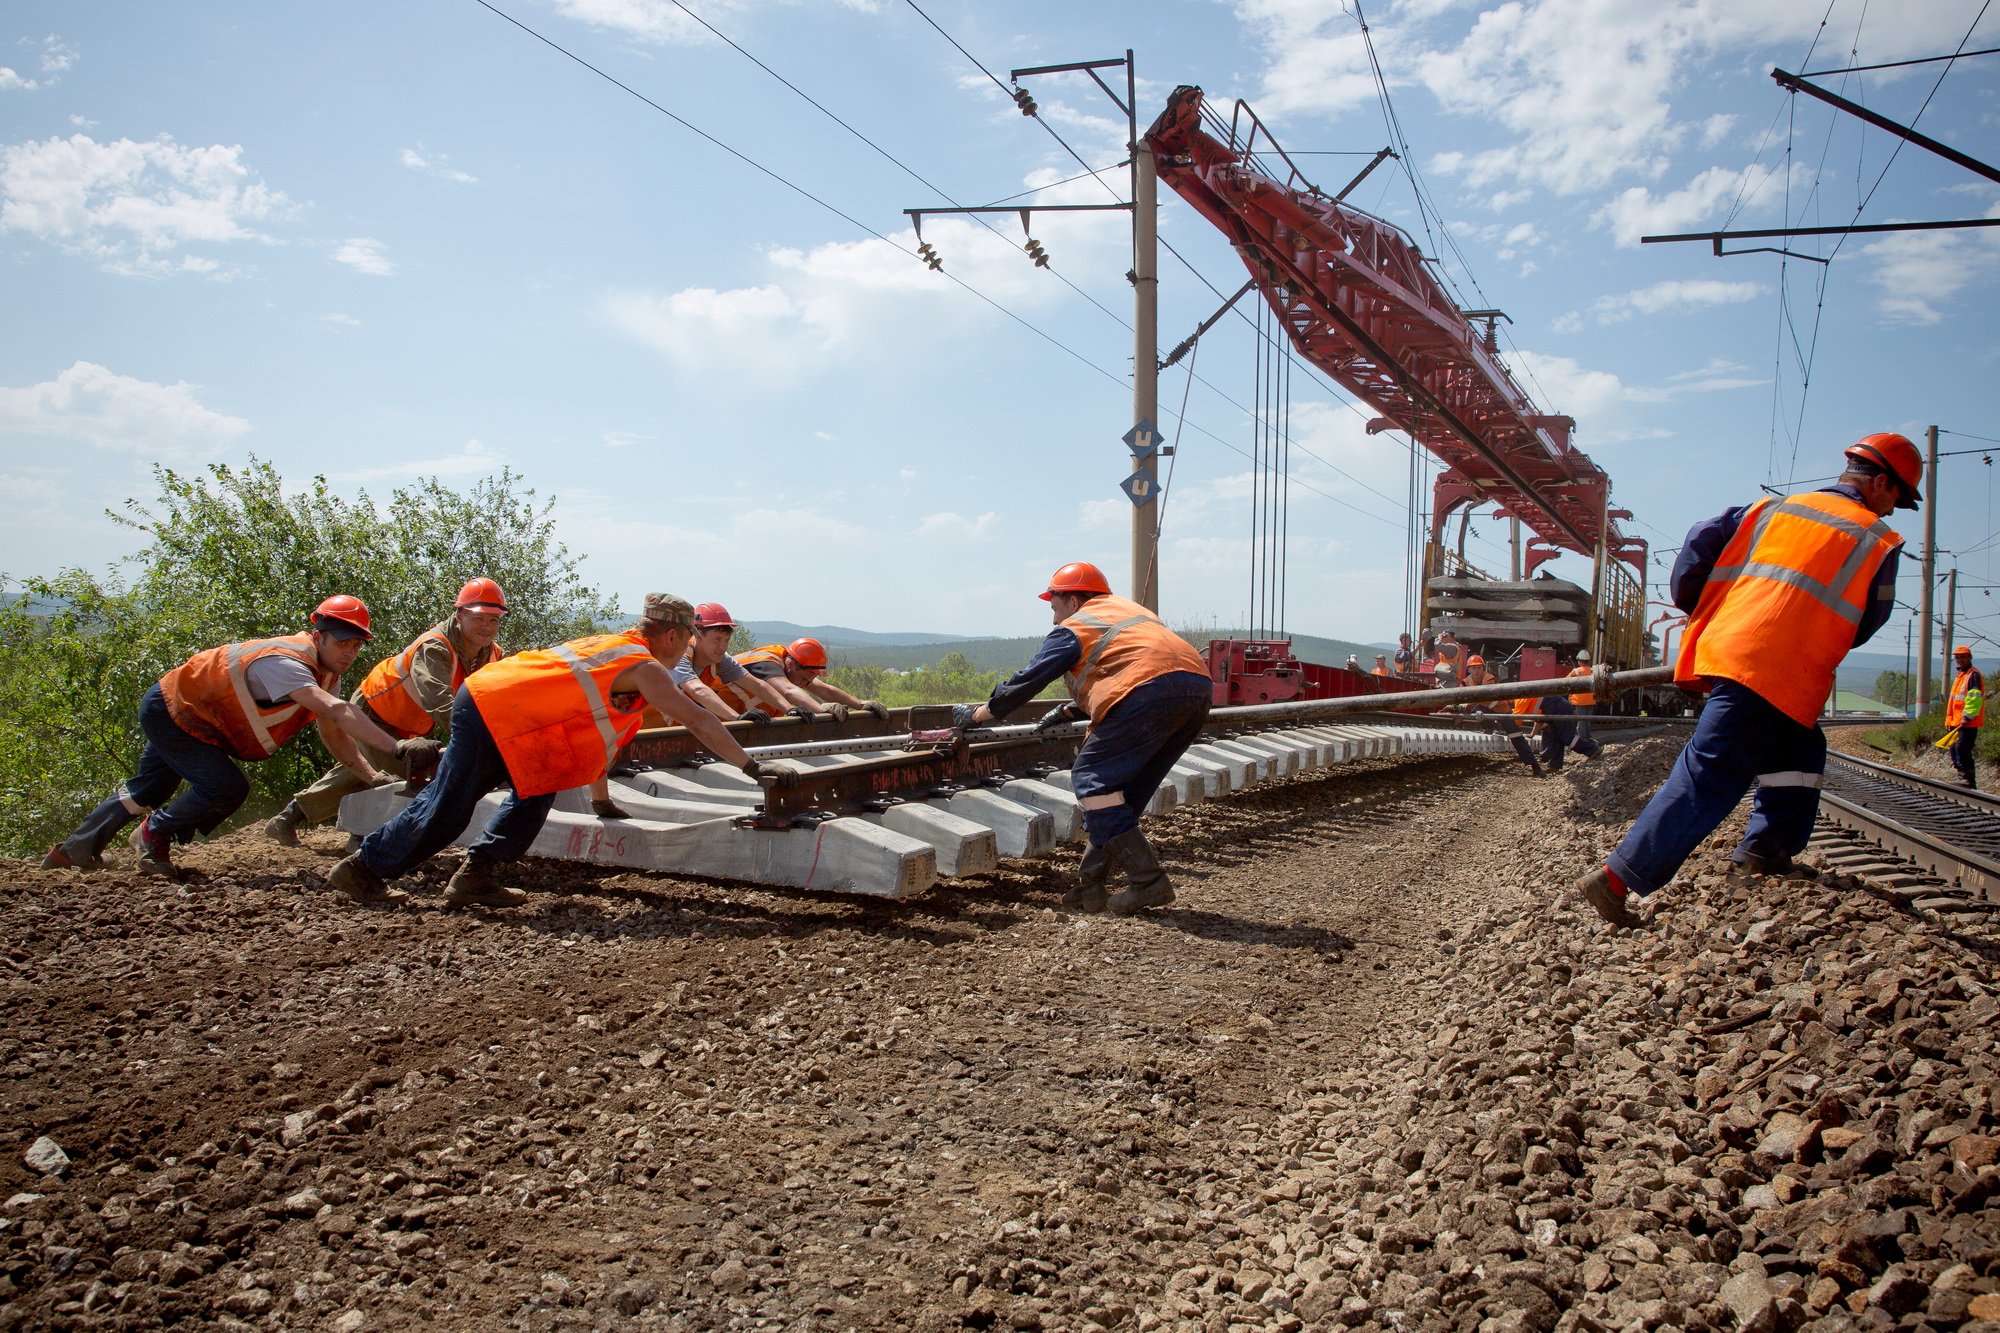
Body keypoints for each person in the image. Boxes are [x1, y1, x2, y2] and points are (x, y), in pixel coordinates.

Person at [1573, 432, 1915, 927]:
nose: (1893, 510)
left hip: (1746, 656)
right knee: (1710, 774)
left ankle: (1764, 852)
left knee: (1800, 752)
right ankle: (1615, 878)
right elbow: (1868, 622)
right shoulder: (1877, 539)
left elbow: (1697, 543)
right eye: (1896, 498)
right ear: (1880, 481)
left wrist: (1710, 612)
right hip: (1774, 666)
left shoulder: (1770, 509)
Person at [326, 594, 772, 909]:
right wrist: (753, 769)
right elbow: (698, 719)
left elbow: (596, 733)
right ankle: (364, 870)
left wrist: (601, 799)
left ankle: (477, 875)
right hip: (490, 707)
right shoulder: (643, 665)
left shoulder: (615, 643)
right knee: (452, 802)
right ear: (673, 636)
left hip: (516, 717)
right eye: (687, 638)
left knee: (539, 788)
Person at [41, 597, 440, 878]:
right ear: (318, 636)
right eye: (342, 642)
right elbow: (336, 711)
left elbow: (331, 730)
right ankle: (152, 834)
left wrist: (371, 777)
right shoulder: (287, 664)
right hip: (176, 710)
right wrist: (397, 747)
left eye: (356, 645)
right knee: (225, 788)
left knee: (148, 788)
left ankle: (74, 850)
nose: (349, 652)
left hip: (188, 711)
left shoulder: (324, 670)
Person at [954, 561, 1211, 915]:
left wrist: (980, 714)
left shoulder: (1076, 625)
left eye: (1055, 607)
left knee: (1093, 784)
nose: (1054, 618)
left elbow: (1028, 680)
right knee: (1119, 799)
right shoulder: (1130, 612)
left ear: (1073, 601)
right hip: (1196, 688)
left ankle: (1148, 883)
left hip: (1149, 690)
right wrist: (1071, 710)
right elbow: (1128, 665)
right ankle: (1092, 886)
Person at [265, 578, 510, 846]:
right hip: (374, 712)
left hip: (410, 723)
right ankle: (362, 837)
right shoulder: (436, 647)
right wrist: (482, 742)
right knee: (402, 776)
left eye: (493, 620)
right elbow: (440, 702)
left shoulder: (493, 655)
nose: (486, 627)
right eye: (479, 618)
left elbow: (496, 701)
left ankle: (290, 818)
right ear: (460, 615)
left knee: (360, 772)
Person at [673, 603, 796, 723]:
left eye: (726, 640)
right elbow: (697, 690)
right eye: (717, 639)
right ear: (699, 635)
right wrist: (736, 718)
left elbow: (756, 685)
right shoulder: (679, 655)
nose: (723, 647)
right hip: (655, 728)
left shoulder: (721, 659)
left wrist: (790, 709)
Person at [727, 638, 885, 720]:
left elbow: (824, 689)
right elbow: (788, 690)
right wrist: (820, 709)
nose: (803, 684)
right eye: (803, 679)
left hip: (739, 719)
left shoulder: (795, 666)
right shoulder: (766, 663)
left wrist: (861, 704)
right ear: (791, 665)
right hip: (720, 716)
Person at [1947, 645, 1984, 788]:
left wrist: (1967, 717)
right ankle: (1962, 776)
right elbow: (1954, 701)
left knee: (1962, 748)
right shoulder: (1961, 675)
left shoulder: (1972, 675)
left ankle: (1968, 780)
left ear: (1969, 657)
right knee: (1955, 748)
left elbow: (1974, 698)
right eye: (1957, 657)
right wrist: (1949, 720)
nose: (1960, 660)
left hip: (1968, 722)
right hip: (1957, 721)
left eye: (1963, 657)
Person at [1565, 649, 1597, 753]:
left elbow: (1565, 681)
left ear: (1579, 661)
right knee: (1587, 720)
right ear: (1588, 661)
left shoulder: (1576, 671)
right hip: (1591, 700)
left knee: (1581, 721)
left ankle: (1583, 741)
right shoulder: (1593, 671)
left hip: (1580, 701)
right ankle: (1588, 737)